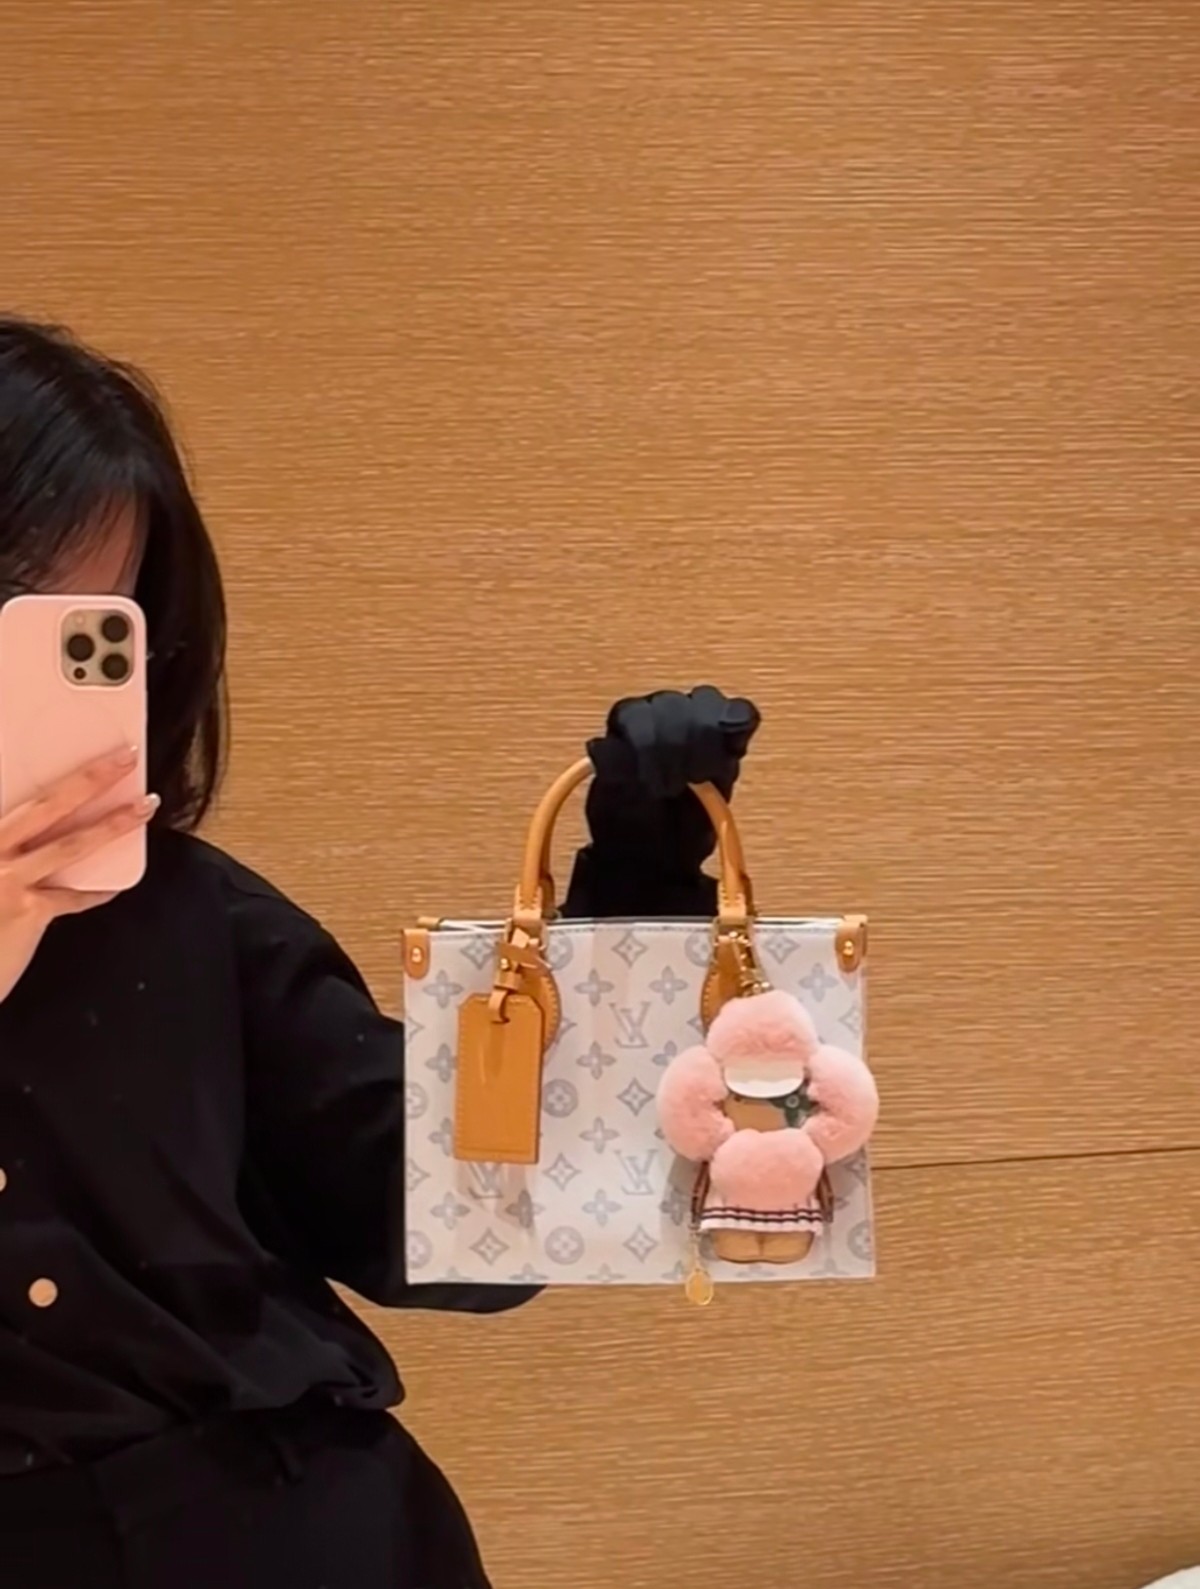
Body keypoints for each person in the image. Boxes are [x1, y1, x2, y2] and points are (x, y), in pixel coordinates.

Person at [0, 316, 761, 1589]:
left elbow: (470, 1225)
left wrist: (633, 880)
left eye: (95, 633)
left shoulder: (190, 916)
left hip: (316, 1531)